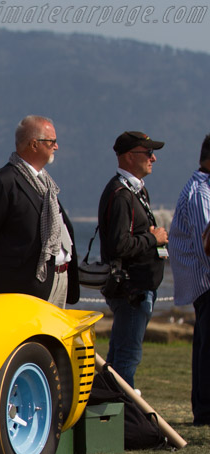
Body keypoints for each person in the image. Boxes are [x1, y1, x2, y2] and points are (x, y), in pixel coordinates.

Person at [0, 115, 79, 307]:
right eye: (52, 141)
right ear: (34, 144)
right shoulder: (3, 182)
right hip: (22, 285)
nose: (56, 146)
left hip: (56, 280)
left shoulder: (46, 184)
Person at [98, 130, 170, 389]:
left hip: (140, 288)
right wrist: (154, 239)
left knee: (119, 358)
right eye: (148, 153)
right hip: (131, 290)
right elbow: (119, 245)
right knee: (126, 361)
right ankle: (124, 419)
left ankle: (112, 410)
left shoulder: (135, 191)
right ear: (130, 156)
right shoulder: (121, 194)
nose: (153, 158)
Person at [168, 133, 210, 423]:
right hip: (206, 281)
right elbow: (205, 242)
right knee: (208, 349)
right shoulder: (201, 192)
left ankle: (204, 408)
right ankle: (206, 411)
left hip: (203, 281)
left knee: (204, 346)